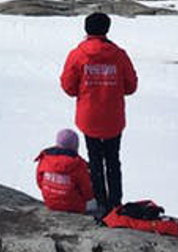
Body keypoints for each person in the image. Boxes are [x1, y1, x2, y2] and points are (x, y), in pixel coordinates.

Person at [60, 12, 137, 214]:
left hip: (89, 117)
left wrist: (86, 89)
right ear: (107, 29)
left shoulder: (77, 54)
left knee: (95, 160)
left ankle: (100, 202)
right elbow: (131, 86)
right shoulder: (119, 54)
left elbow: (68, 87)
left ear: (86, 29)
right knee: (113, 159)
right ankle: (116, 202)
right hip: (113, 117)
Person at [34, 128, 93, 213]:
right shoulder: (79, 164)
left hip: (50, 203)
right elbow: (88, 193)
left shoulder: (45, 158)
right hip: (75, 206)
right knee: (97, 202)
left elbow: (40, 182)